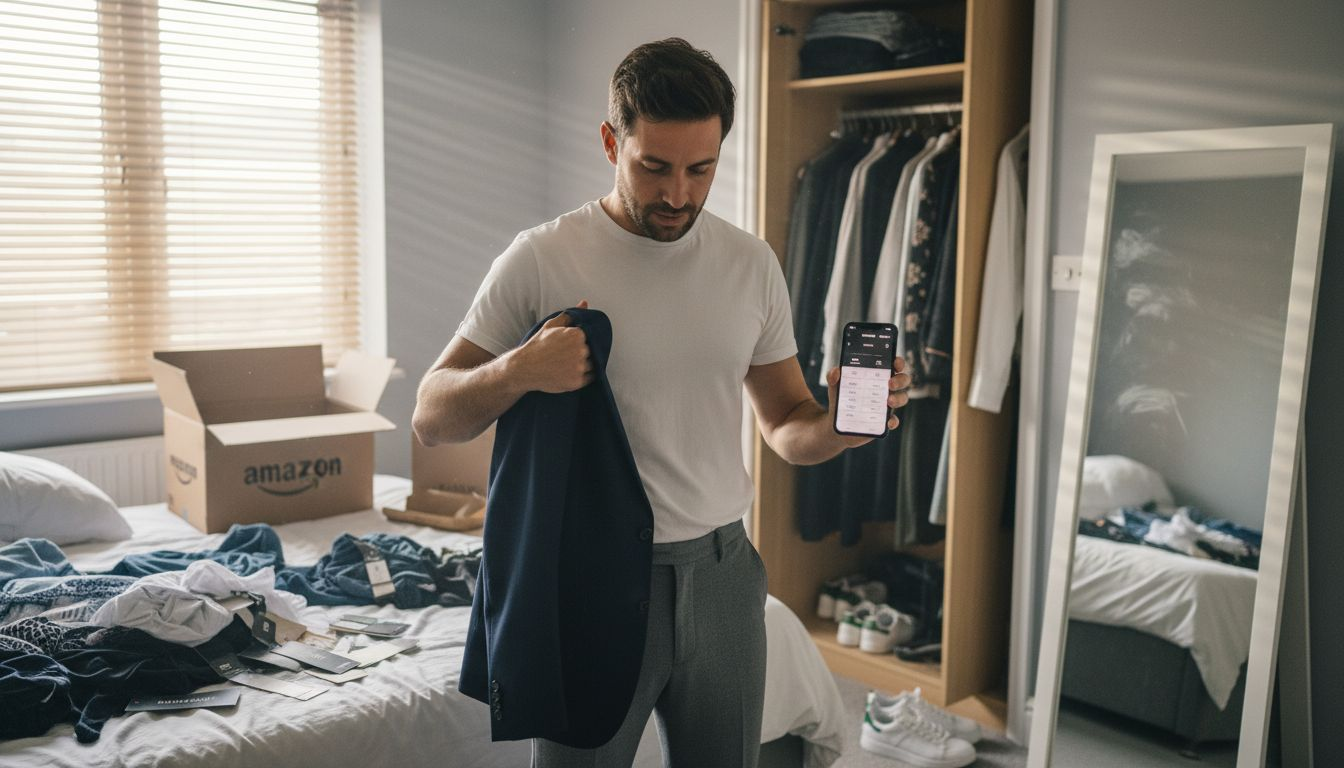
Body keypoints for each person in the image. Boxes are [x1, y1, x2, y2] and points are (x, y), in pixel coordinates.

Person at [413, 37, 910, 768]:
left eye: (700, 169)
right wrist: (519, 369)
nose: (678, 194)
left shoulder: (750, 264)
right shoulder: (542, 257)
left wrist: (840, 427)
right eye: (655, 167)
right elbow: (431, 415)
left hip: (723, 575)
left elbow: (785, 425)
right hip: (591, 576)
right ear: (610, 142)